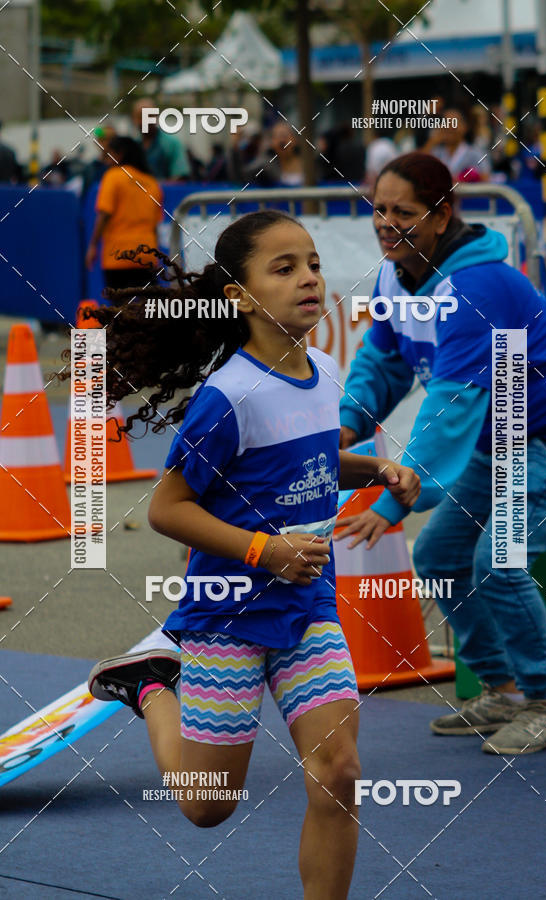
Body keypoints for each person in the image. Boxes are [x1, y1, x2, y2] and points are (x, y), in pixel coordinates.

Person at [84, 210, 420, 898]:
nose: (309, 278)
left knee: (340, 772)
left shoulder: (326, 369)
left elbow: (312, 457)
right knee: (208, 805)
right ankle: (149, 685)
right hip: (225, 617)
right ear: (239, 295)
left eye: (314, 263)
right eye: (284, 267)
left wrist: (378, 471)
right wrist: (264, 550)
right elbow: (166, 508)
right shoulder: (228, 395)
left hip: (306, 609)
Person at [336, 151, 546, 755]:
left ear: (440, 216)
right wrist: (348, 424)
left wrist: (396, 500)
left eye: (402, 211)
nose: (385, 222)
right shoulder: (395, 275)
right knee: (439, 556)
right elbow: (383, 359)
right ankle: (502, 690)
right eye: (378, 208)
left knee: (497, 564)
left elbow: (452, 406)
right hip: (503, 438)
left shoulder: (476, 286)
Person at [85, 136, 163, 293]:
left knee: (120, 311)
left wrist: (93, 245)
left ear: (119, 154)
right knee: (146, 311)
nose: (105, 160)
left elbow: (104, 214)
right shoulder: (152, 182)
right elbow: (155, 226)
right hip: (146, 256)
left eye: (108, 155)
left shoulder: (113, 177)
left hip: (118, 257)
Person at [424, 106, 490, 181]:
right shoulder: (436, 153)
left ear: (464, 127)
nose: (449, 127)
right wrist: (433, 141)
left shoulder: (475, 153)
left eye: (453, 123)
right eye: (445, 123)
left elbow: (486, 179)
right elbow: (417, 168)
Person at [132, 97, 190, 181]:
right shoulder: (133, 146)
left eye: (149, 116)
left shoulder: (171, 143)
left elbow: (180, 176)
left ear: (156, 117)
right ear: (134, 119)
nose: (145, 120)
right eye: (140, 116)